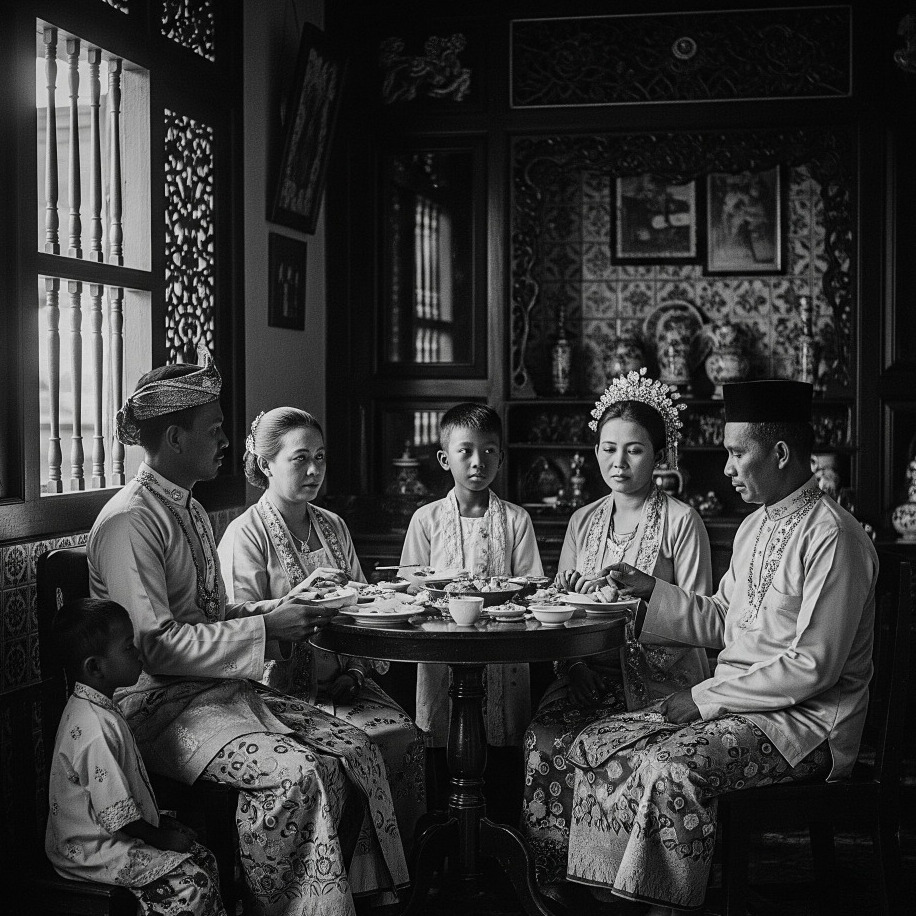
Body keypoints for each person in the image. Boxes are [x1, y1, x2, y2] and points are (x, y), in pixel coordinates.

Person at [88, 352, 409, 916]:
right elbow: (153, 646)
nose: (224, 442)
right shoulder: (131, 521)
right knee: (298, 772)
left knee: (354, 747)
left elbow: (210, 612)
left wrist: (280, 609)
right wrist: (266, 627)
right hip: (157, 704)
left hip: (215, 692)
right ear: (174, 437)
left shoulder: (183, 508)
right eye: (213, 430)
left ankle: (350, 901)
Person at [563, 380, 879, 915]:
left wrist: (706, 699)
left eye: (737, 454)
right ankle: (611, 901)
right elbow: (726, 620)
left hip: (807, 725)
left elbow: (813, 666)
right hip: (736, 708)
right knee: (599, 741)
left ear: (779, 453)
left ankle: (667, 906)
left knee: (668, 766)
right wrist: (651, 591)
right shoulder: (755, 525)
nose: (728, 468)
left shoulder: (834, 536)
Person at [520, 370, 713, 900]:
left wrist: (639, 604)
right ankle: (556, 879)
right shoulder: (583, 520)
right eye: (608, 449)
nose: (618, 463)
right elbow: (557, 605)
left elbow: (703, 618)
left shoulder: (681, 521)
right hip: (586, 674)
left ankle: (616, 883)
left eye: (634, 450)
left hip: (658, 683)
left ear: (660, 454)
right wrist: (575, 665)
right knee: (545, 739)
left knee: (613, 752)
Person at [217, 407, 426, 845]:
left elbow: (367, 605)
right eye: (299, 459)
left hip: (345, 683)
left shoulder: (333, 526)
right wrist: (298, 598)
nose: (314, 470)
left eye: (321, 457)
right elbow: (239, 622)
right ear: (265, 463)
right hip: (278, 693)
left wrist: (356, 671)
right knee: (358, 748)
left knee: (403, 734)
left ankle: (397, 882)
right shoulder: (245, 534)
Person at [399, 403, 543, 813]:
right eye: (466, 451)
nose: (478, 462)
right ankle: (447, 835)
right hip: (441, 650)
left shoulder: (516, 520)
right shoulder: (426, 520)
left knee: (501, 747)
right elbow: (411, 586)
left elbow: (531, 588)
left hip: (504, 653)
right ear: (445, 458)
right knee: (442, 742)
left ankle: (497, 835)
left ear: (501, 455)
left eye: (489, 451)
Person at [46, 598, 225, 916]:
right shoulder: (94, 728)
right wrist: (162, 837)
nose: (139, 652)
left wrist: (165, 831)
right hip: (92, 848)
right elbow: (118, 817)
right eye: (128, 647)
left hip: (112, 834)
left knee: (204, 856)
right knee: (193, 884)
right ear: (95, 667)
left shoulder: (98, 707)